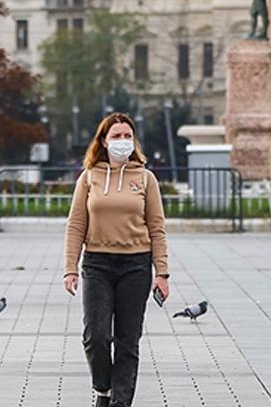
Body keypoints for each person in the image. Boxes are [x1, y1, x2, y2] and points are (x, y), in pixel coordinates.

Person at [64, 112, 170, 407]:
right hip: (97, 264)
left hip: (135, 265)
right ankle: (104, 388)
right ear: (103, 141)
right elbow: (75, 225)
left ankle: (120, 402)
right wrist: (69, 268)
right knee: (96, 337)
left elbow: (157, 227)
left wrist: (162, 272)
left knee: (127, 341)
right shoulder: (89, 178)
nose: (123, 141)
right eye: (116, 136)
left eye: (127, 136)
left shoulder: (146, 179)